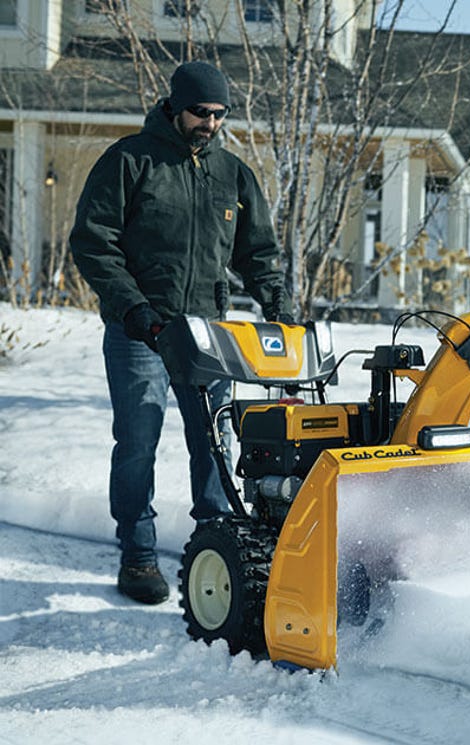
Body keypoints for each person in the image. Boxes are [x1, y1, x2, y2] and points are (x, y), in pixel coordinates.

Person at [70, 61, 291, 604]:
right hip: (141, 330)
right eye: (201, 112)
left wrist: (279, 303)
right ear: (175, 106)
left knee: (215, 442)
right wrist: (134, 309)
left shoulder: (232, 173)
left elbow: (256, 252)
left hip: (207, 333)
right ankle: (138, 553)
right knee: (138, 441)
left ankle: (216, 546)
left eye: (219, 115)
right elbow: (93, 242)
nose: (210, 124)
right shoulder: (130, 161)